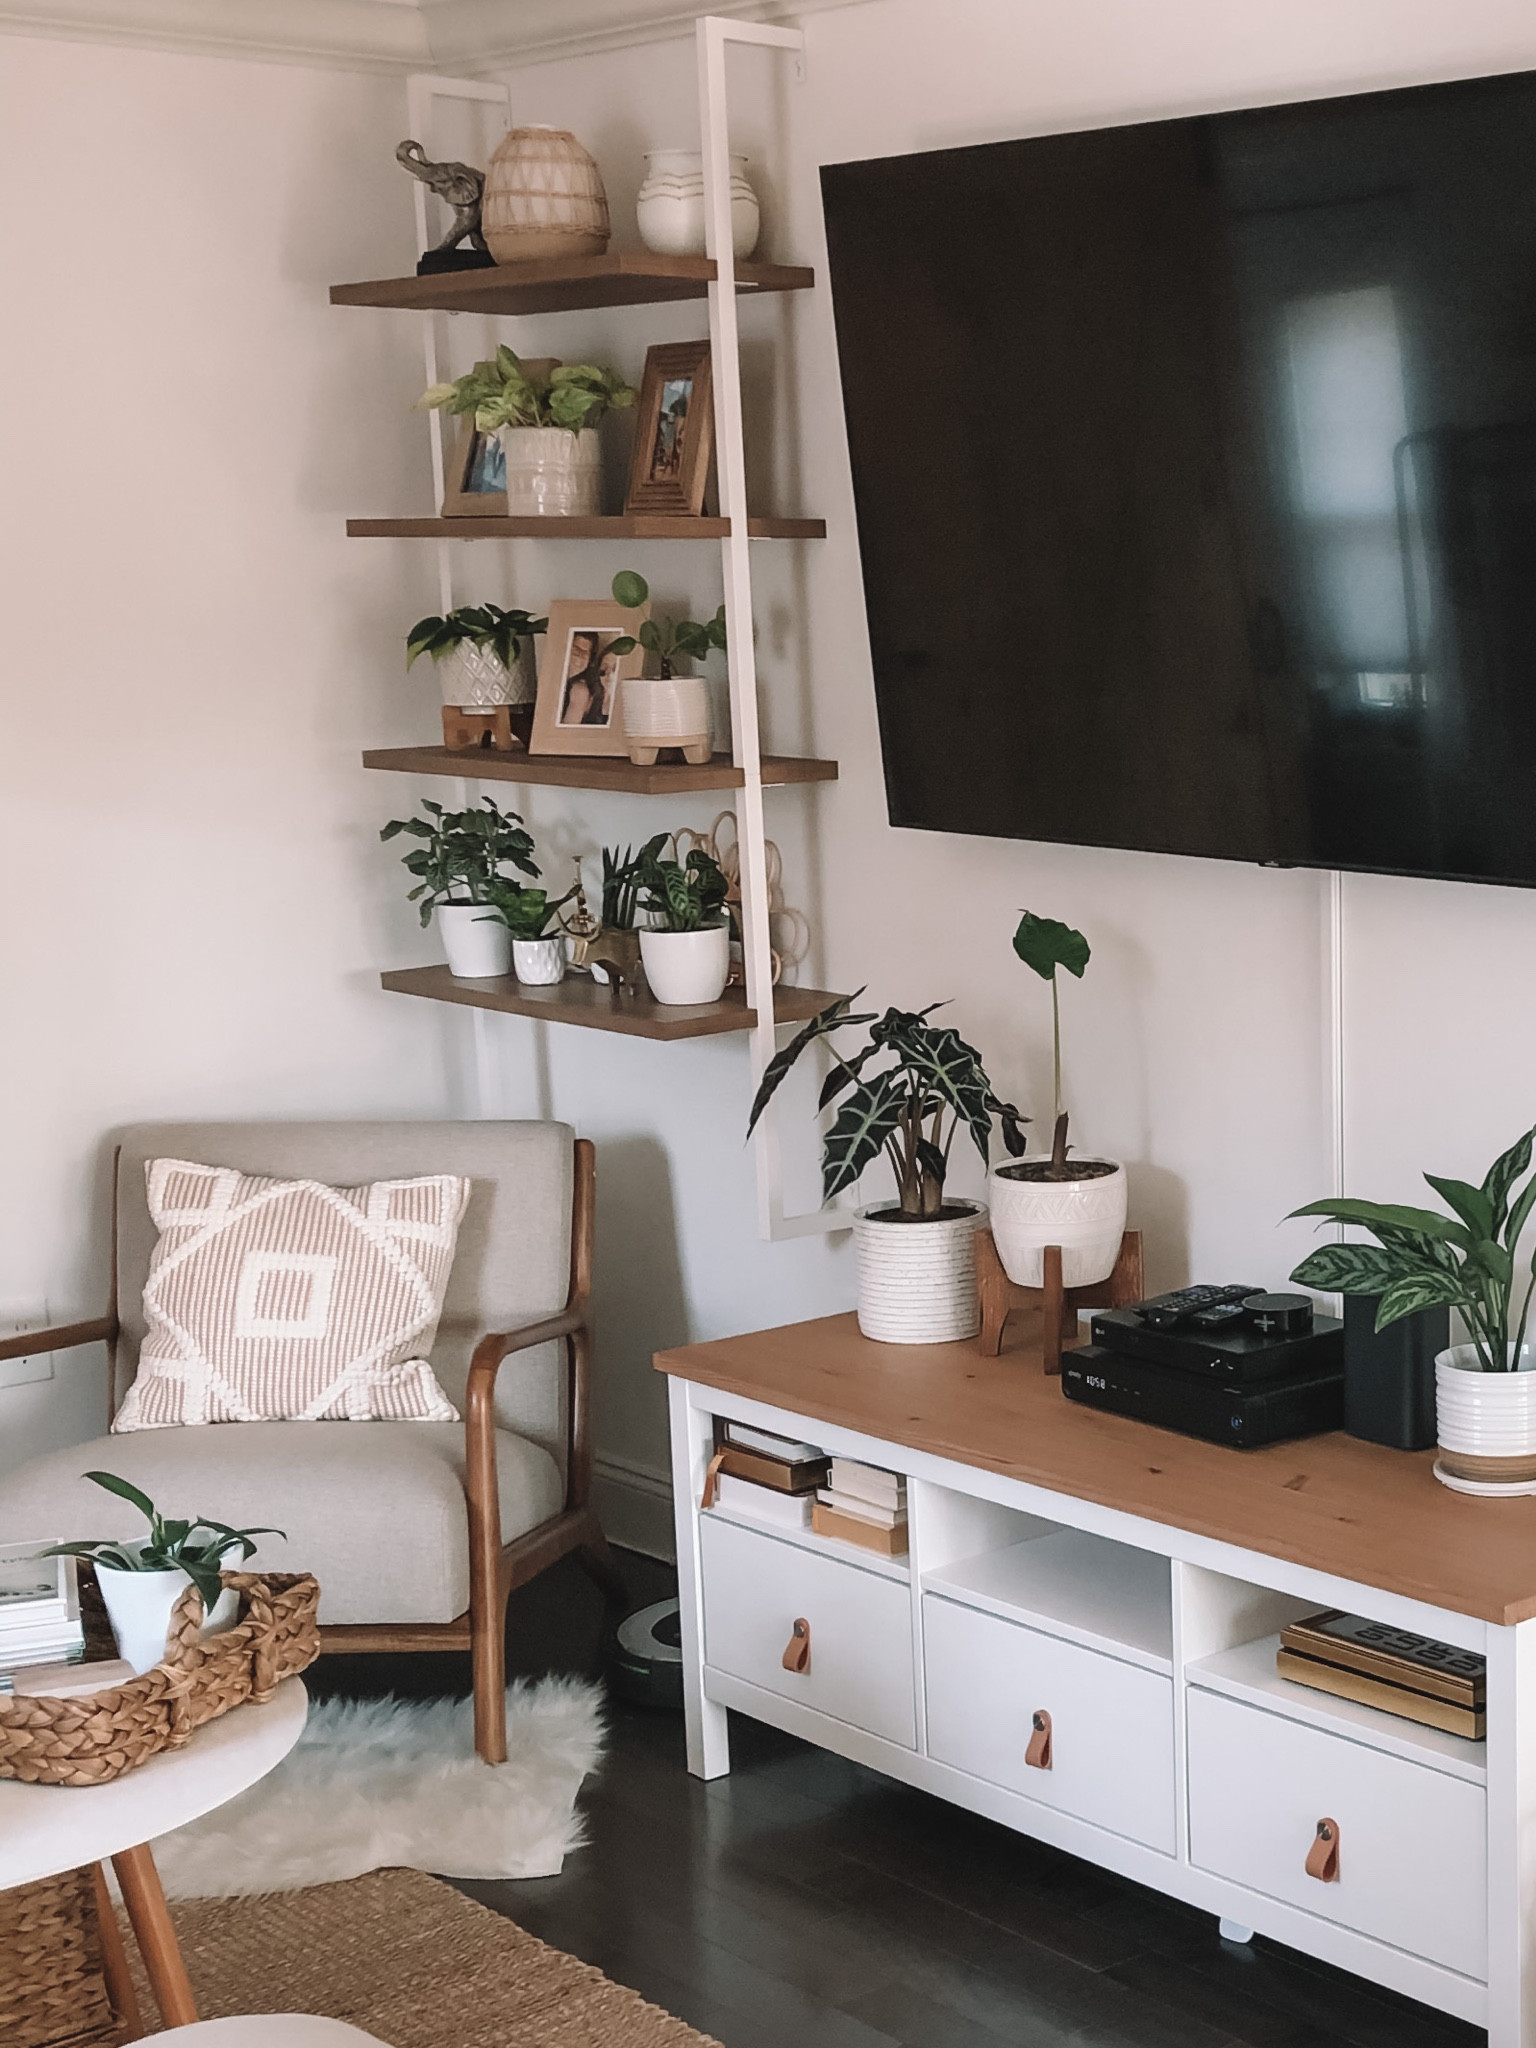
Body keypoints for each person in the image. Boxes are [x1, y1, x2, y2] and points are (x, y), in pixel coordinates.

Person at [559, 630, 602, 724]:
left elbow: (566, 731)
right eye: (575, 649)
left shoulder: (580, 690)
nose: (579, 656)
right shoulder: (551, 681)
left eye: (585, 653)